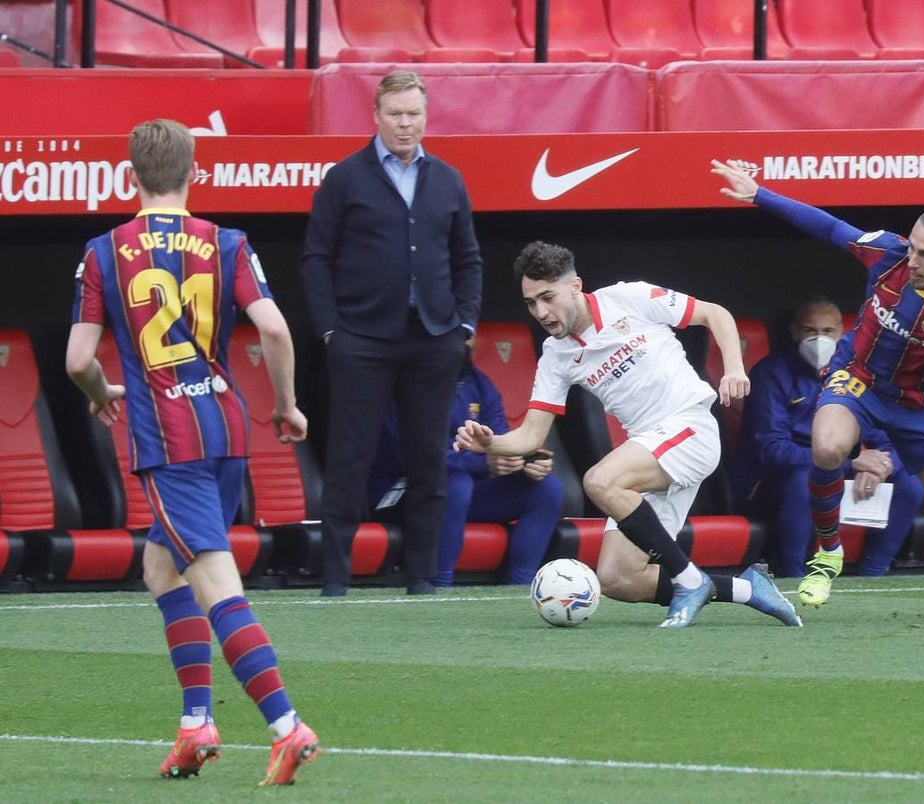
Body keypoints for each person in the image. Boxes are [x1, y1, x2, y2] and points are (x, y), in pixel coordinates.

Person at [66, 119, 320, 785]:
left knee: (212, 580)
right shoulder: (227, 241)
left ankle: (286, 726)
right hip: (225, 427)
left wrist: (101, 390)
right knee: (161, 568)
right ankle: (195, 724)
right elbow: (271, 326)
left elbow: (76, 360)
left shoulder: (104, 251)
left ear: (131, 176)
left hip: (167, 441)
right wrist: (286, 404)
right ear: (193, 172)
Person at [712, 158, 924, 619]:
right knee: (827, 447)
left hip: (920, 405)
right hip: (857, 379)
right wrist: (759, 194)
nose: (913, 261)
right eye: (912, 248)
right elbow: (828, 226)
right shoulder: (887, 253)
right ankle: (828, 552)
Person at [454, 241, 803, 629]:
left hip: (690, 426)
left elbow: (714, 313)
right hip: (651, 451)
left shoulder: (629, 297)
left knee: (600, 481)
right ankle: (748, 588)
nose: (541, 312)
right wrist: (490, 444)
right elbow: (531, 437)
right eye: (531, 302)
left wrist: (735, 369)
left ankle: (688, 582)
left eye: (548, 297)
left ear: (576, 286)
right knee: (618, 578)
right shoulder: (555, 356)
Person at [300, 69, 483, 597]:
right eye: (396, 114)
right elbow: (316, 258)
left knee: (430, 458)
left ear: (426, 117)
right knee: (349, 458)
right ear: (376, 116)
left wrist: (464, 325)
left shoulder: (448, 179)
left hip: (433, 339)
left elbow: (467, 258)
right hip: (361, 339)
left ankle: (421, 576)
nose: (405, 125)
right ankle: (335, 577)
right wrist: (331, 330)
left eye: (414, 115)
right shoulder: (345, 177)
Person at [730, 298, 924, 577]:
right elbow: (772, 450)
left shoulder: (855, 373)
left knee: (909, 482)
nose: (819, 339)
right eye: (810, 331)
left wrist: (881, 465)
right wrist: (853, 462)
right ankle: (793, 573)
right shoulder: (770, 373)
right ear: (795, 332)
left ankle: (873, 573)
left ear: (841, 332)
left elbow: (887, 434)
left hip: (838, 466)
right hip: (773, 480)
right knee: (803, 477)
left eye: (828, 331)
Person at [368, 336, 565, 586]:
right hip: (400, 494)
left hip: (464, 494)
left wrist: (524, 462)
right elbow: (409, 456)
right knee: (456, 484)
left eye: (469, 335)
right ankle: (438, 585)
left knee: (547, 489)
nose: (465, 342)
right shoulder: (401, 382)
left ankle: (519, 589)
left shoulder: (478, 382)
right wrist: (483, 464)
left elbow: (499, 439)